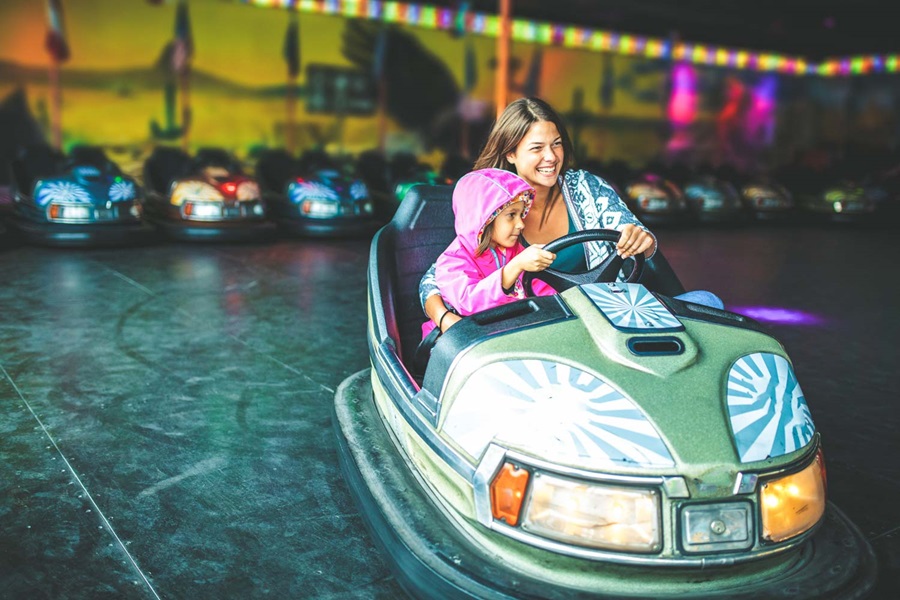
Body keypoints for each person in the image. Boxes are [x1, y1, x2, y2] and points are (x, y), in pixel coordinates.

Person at [421, 97, 722, 334]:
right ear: (511, 154)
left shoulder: (586, 188)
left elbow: (630, 231)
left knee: (709, 304)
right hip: (550, 330)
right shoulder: (492, 206)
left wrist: (639, 238)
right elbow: (438, 278)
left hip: (609, 314)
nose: (551, 157)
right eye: (537, 148)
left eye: (557, 144)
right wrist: (446, 321)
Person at [422, 168, 556, 339]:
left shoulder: (514, 251)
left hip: (502, 333)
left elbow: (537, 286)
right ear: (485, 219)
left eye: (521, 215)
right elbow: (469, 303)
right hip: (457, 341)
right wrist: (513, 268)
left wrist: (555, 304)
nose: (521, 224)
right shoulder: (453, 260)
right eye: (511, 215)